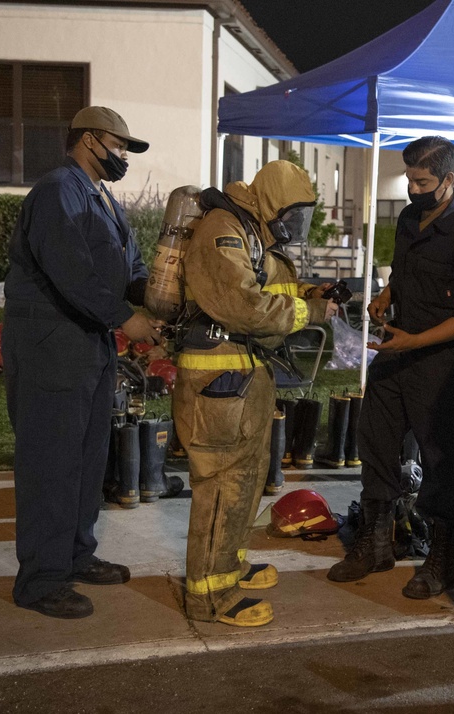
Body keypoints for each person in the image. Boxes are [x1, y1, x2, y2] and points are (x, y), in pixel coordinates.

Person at [3, 106, 162, 619]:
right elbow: (70, 270)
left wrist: (154, 294)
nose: (123, 158)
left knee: (86, 458)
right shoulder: (58, 191)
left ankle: (74, 556)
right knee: (51, 461)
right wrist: (125, 317)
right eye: (119, 147)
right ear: (90, 139)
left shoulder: (101, 197)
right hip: (51, 340)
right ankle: (40, 579)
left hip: (86, 341)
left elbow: (130, 264)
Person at [327, 137, 454, 601]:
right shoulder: (407, 219)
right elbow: (401, 274)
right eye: (408, 177)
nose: (411, 187)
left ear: (447, 181)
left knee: (441, 458)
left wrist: (415, 340)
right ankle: (376, 543)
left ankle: (442, 558)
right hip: (396, 352)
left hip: (442, 363)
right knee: (375, 440)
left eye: (421, 181)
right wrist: (386, 295)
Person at [174, 160, 336, 627]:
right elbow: (243, 304)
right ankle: (209, 596)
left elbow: (267, 286)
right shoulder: (224, 228)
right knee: (222, 488)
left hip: (241, 379)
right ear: (272, 202)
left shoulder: (253, 230)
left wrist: (309, 291)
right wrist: (308, 312)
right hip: (218, 382)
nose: (295, 226)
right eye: (293, 214)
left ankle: (231, 565)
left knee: (243, 482)